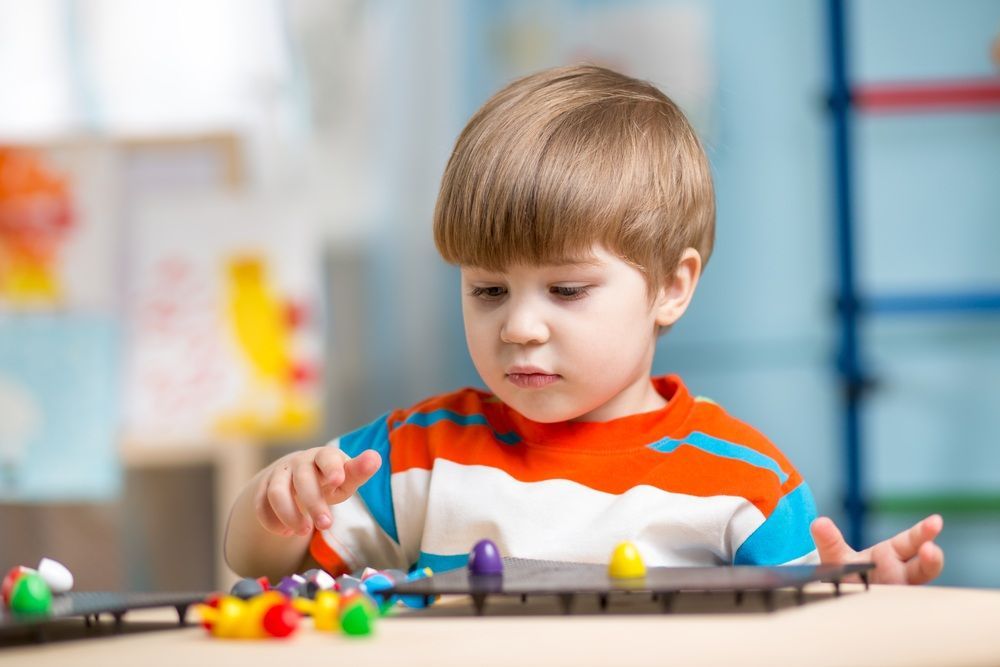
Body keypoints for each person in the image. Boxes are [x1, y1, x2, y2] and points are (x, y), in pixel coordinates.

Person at [224, 64, 944, 585]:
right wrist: (274, 505)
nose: (519, 326)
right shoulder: (417, 455)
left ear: (671, 287)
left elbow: (814, 620)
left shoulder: (744, 483)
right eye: (488, 288)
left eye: (566, 289)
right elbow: (257, 560)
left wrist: (859, 593)